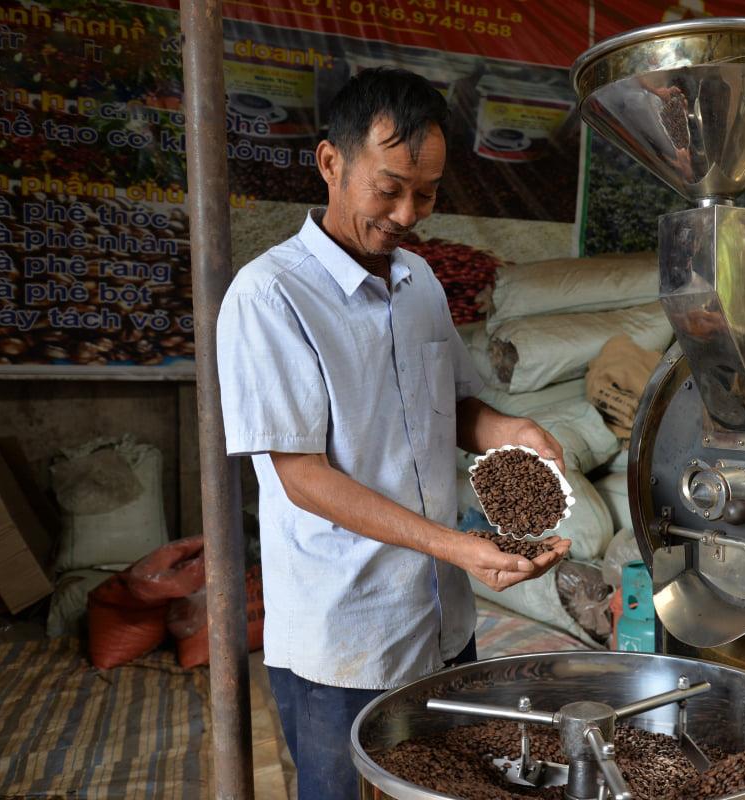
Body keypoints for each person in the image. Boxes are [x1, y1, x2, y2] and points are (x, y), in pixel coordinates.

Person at [215, 67, 572, 800]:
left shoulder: (419, 282)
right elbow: (301, 475)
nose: (410, 212)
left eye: (428, 192)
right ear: (331, 163)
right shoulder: (271, 295)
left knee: (450, 786)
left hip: (442, 619)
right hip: (345, 636)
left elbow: (457, 405)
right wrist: (462, 547)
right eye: (390, 188)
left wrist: (510, 428)